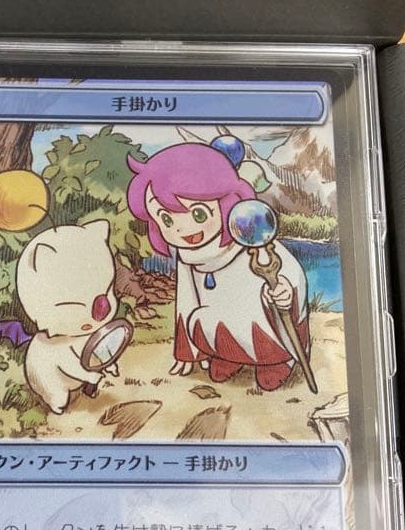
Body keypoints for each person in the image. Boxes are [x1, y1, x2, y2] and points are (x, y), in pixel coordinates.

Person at [126, 143, 309, 390]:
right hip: (221, 331)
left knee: (260, 335)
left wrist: (283, 292)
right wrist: (188, 353)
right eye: (166, 219)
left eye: (199, 215)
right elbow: (186, 302)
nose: (181, 229)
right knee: (207, 324)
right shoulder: (187, 256)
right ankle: (228, 355)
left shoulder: (252, 239)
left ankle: (275, 362)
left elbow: (287, 274)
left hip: (266, 329)